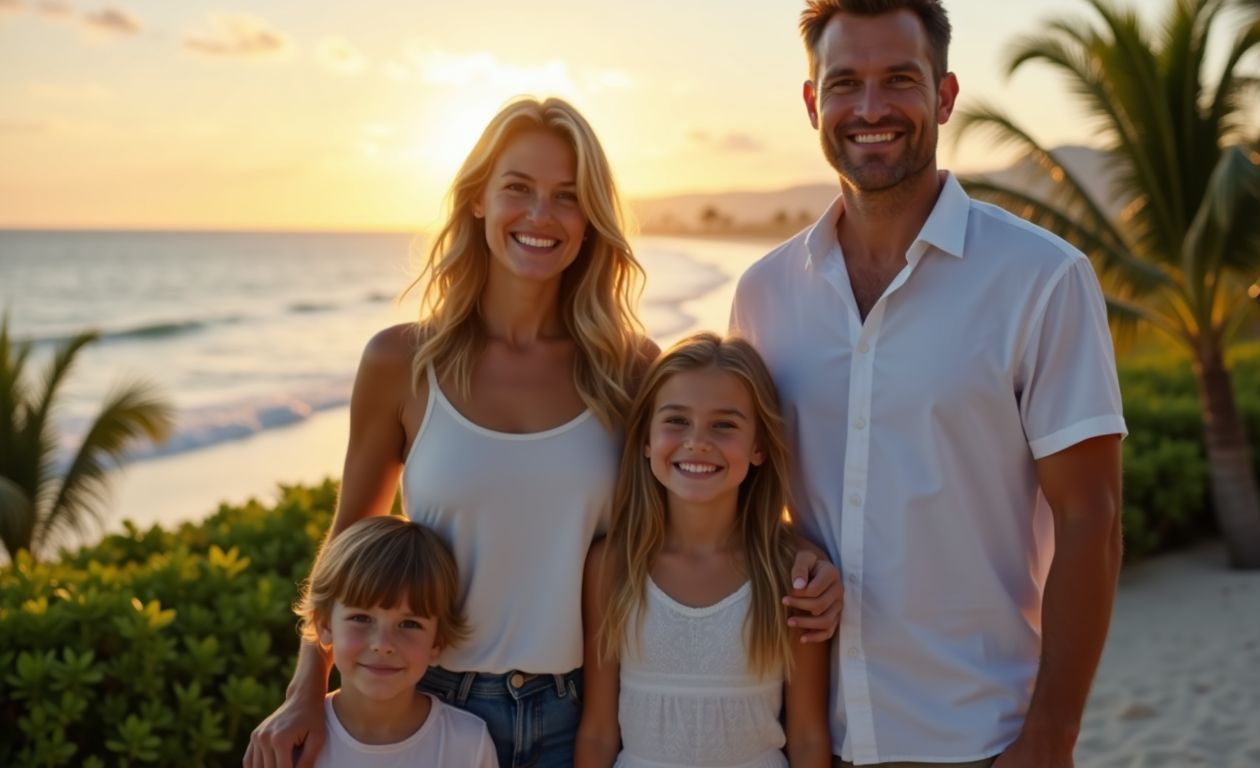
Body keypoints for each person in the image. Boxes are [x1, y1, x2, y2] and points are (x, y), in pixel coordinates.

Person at [246, 96, 843, 768]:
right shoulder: (401, 363)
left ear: (589, 220)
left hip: (578, 713)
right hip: (431, 706)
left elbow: (696, 490)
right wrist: (305, 688)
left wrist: (796, 551)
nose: (540, 216)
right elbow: (347, 545)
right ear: (478, 200)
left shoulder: (628, 369)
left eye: (566, 196)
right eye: (519, 189)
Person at [729, 2, 1128, 766]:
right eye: (845, 83)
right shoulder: (764, 291)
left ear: (943, 97)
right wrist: (790, 547)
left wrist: (1049, 738)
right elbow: (745, 497)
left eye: (899, 81)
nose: (871, 109)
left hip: (982, 737)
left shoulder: (1042, 278)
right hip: (806, 737)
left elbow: (1092, 519)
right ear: (813, 102)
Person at [574, 333, 831, 768]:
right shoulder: (613, 565)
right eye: (676, 420)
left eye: (724, 425)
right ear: (645, 441)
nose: (697, 441)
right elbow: (599, 732)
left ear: (759, 447)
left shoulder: (789, 570)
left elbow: (807, 736)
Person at [294, 515, 497, 768]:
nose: (383, 643)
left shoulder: (468, 743)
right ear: (324, 624)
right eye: (361, 618)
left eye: (409, 624)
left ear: (438, 641)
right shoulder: (292, 742)